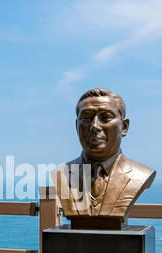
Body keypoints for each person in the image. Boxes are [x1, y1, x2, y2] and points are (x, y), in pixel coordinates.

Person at [52, 87, 155, 229]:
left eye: (106, 118)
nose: (94, 126)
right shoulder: (62, 174)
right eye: (86, 118)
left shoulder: (140, 174)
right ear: (77, 126)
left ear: (124, 127)